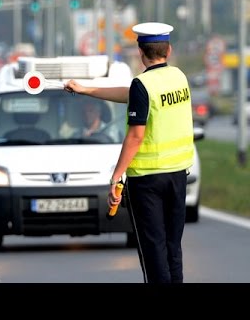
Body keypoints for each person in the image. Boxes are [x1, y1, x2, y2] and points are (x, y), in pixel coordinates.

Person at [64, 22, 194, 283]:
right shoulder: (178, 77)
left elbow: (135, 136)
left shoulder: (142, 85)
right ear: (168, 50)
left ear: (140, 52)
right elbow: (132, 95)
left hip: (148, 181)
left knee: (153, 250)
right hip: (178, 175)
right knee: (172, 248)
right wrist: (87, 89)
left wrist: (116, 176)